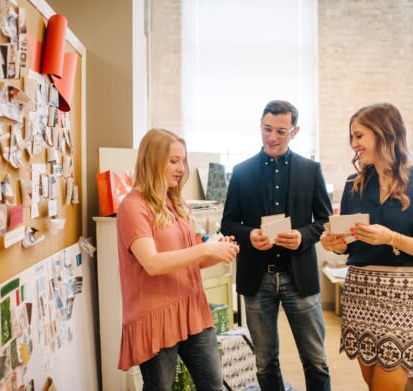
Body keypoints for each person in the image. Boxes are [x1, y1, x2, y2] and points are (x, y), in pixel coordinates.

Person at [320, 102, 413, 391]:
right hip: (360, 293)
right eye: (351, 137)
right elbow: (350, 247)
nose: (354, 144)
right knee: (372, 384)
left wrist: (392, 238)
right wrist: (335, 244)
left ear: (383, 133)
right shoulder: (355, 183)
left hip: (401, 297)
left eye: (359, 136)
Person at [116, 128, 239, 390]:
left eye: (183, 160)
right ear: (152, 161)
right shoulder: (133, 207)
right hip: (156, 316)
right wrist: (204, 251)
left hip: (191, 308)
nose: (181, 168)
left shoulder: (174, 203)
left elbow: (188, 260)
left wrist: (216, 252)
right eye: (173, 161)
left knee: (214, 385)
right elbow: (152, 262)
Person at [221, 100, 332, 391]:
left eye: (281, 131)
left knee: (316, 360)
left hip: (301, 277)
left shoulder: (311, 170)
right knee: (265, 363)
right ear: (260, 125)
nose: (272, 137)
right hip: (258, 279)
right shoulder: (241, 172)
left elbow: (324, 221)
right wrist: (250, 235)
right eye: (267, 129)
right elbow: (229, 223)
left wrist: (303, 236)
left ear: (294, 132)